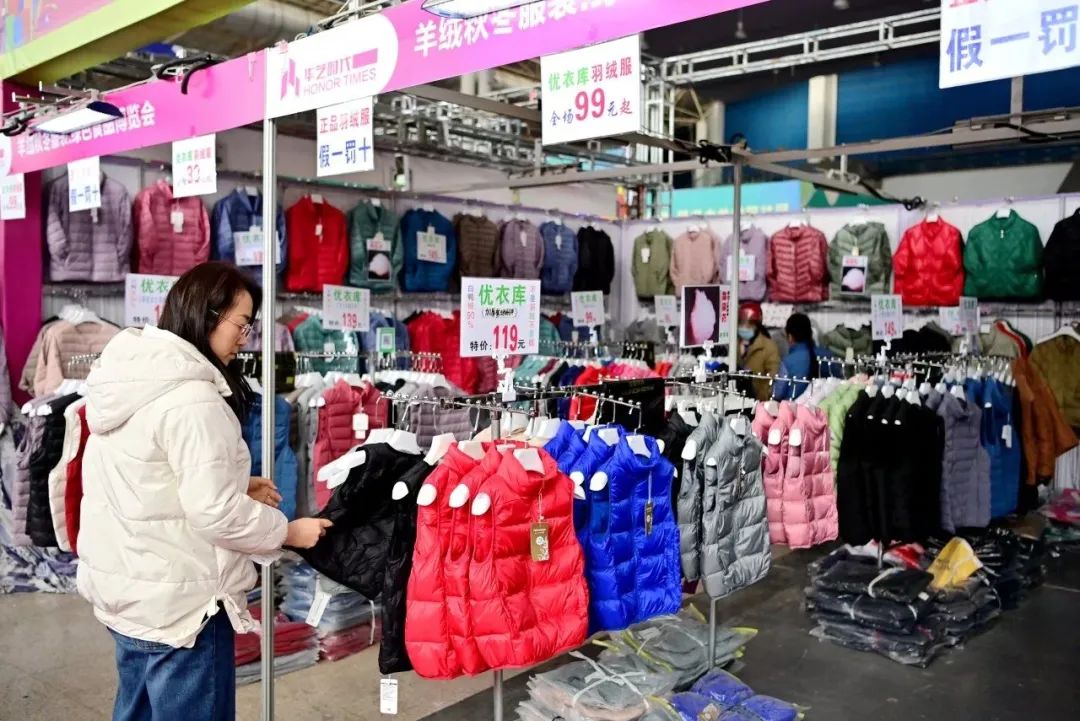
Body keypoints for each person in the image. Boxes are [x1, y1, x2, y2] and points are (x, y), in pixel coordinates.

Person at [76, 261, 332, 721]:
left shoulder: (130, 381)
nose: (245, 338)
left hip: (131, 593)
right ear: (207, 314)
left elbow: (147, 478)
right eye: (242, 324)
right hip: (184, 607)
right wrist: (288, 532)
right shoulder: (193, 399)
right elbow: (214, 512)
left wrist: (236, 485)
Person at [773, 312, 833, 400]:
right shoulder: (827, 356)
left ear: (790, 337)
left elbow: (778, 393)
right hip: (823, 406)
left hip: (793, 407)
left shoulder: (788, 362)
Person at [736, 302, 780, 401]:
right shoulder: (733, 343)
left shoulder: (769, 346)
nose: (744, 327)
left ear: (757, 325)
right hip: (734, 397)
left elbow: (772, 377)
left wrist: (761, 398)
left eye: (749, 324)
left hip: (758, 400)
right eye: (742, 323)